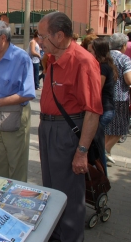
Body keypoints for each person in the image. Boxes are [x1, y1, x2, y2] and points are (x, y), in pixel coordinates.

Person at [37, 12, 102, 242]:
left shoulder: (83, 61)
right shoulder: (52, 59)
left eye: (43, 36)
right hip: (48, 130)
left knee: (70, 197)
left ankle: (71, 238)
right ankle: (55, 236)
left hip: (66, 133)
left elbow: (93, 111)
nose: (39, 41)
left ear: (60, 35)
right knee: (52, 192)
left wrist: (81, 152)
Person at [0, 21, 35, 182]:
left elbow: (27, 93)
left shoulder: (21, 58)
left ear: (3, 38)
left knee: (16, 165)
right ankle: (1, 197)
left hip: (14, 114)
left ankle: (16, 203)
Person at [88, 37, 118, 171]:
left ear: (97, 52)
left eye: (90, 51)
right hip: (106, 109)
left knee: (97, 147)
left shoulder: (103, 67)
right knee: (97, 145)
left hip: (104, 110)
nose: (88, 54)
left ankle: (101, 177)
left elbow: (96, 90)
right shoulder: (106, 65)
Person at [105, 33, 131, 166]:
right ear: (123, 46)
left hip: (105, 96)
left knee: (108, 127)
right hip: (120, 97)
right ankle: (105, 151)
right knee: (121, 128)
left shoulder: (105, 57)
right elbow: (129, 79)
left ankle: (105, 153)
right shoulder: (124, 59)